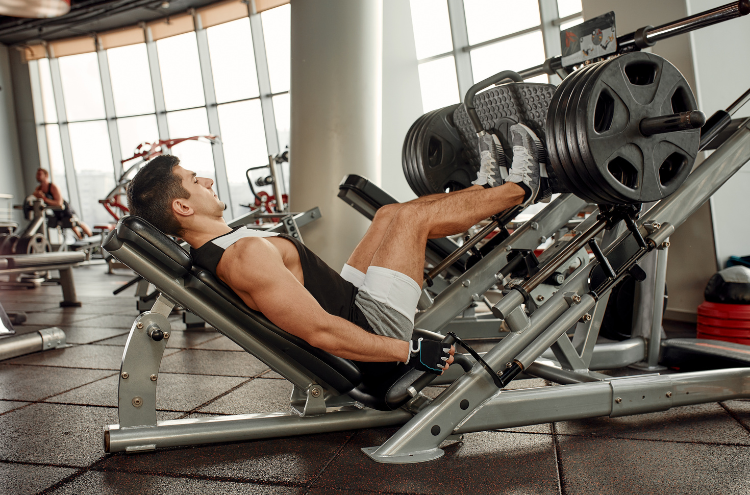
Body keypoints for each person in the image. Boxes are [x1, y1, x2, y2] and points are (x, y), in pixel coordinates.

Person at [127, 124, 543, 377]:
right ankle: (522, 188)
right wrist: (410, 350)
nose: (208, 183)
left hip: (351, 299)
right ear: (182, 207)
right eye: (195, 182)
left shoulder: (225, 246)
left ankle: (486, 190)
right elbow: (319, 332)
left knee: (389, 216)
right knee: (410, 221)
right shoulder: (242, 257)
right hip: (371, 327)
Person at [33, 168, 93, 240]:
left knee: (77, 224)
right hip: (56, 212)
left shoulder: (53, 187)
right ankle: (81, 241)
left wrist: (44, 199)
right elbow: (34, 200)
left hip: (65, 209)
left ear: (46, 175)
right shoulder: (38, 189)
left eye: (39, 174)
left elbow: (59, 203)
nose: (37, 176)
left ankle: (91, 239)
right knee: (71, 227)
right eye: (37, 174)